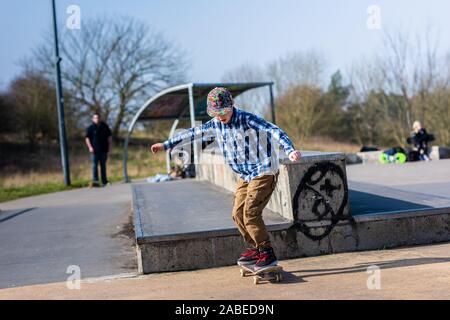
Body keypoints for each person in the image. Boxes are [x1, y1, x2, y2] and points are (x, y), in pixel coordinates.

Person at [150, 87, 301, 271]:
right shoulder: (214, 124)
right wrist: (165, 145)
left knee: (250, 214)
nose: (220, 116)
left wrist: (290, 150)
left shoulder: (247, 119)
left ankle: (267, 252)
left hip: (264, 171)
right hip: (245, 175)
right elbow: (191, 133)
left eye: (223, 112)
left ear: (232, 106)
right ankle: (255, 249)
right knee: (237, 214)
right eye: (216, 113)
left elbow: (273, 130)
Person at [85, 112, 112, 186]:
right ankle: (95, 181)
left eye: (98, 117)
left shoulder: (105, 126)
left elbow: (109, 137)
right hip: (94, 151)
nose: (97, 119)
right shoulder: (90, 128)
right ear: (93, 119)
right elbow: (87, 138)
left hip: (103, 150)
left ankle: (104, 181)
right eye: (95, 118)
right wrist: (90, 147)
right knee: (94, 166)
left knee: (103, 166)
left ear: (100, 118)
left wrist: (109, 147)